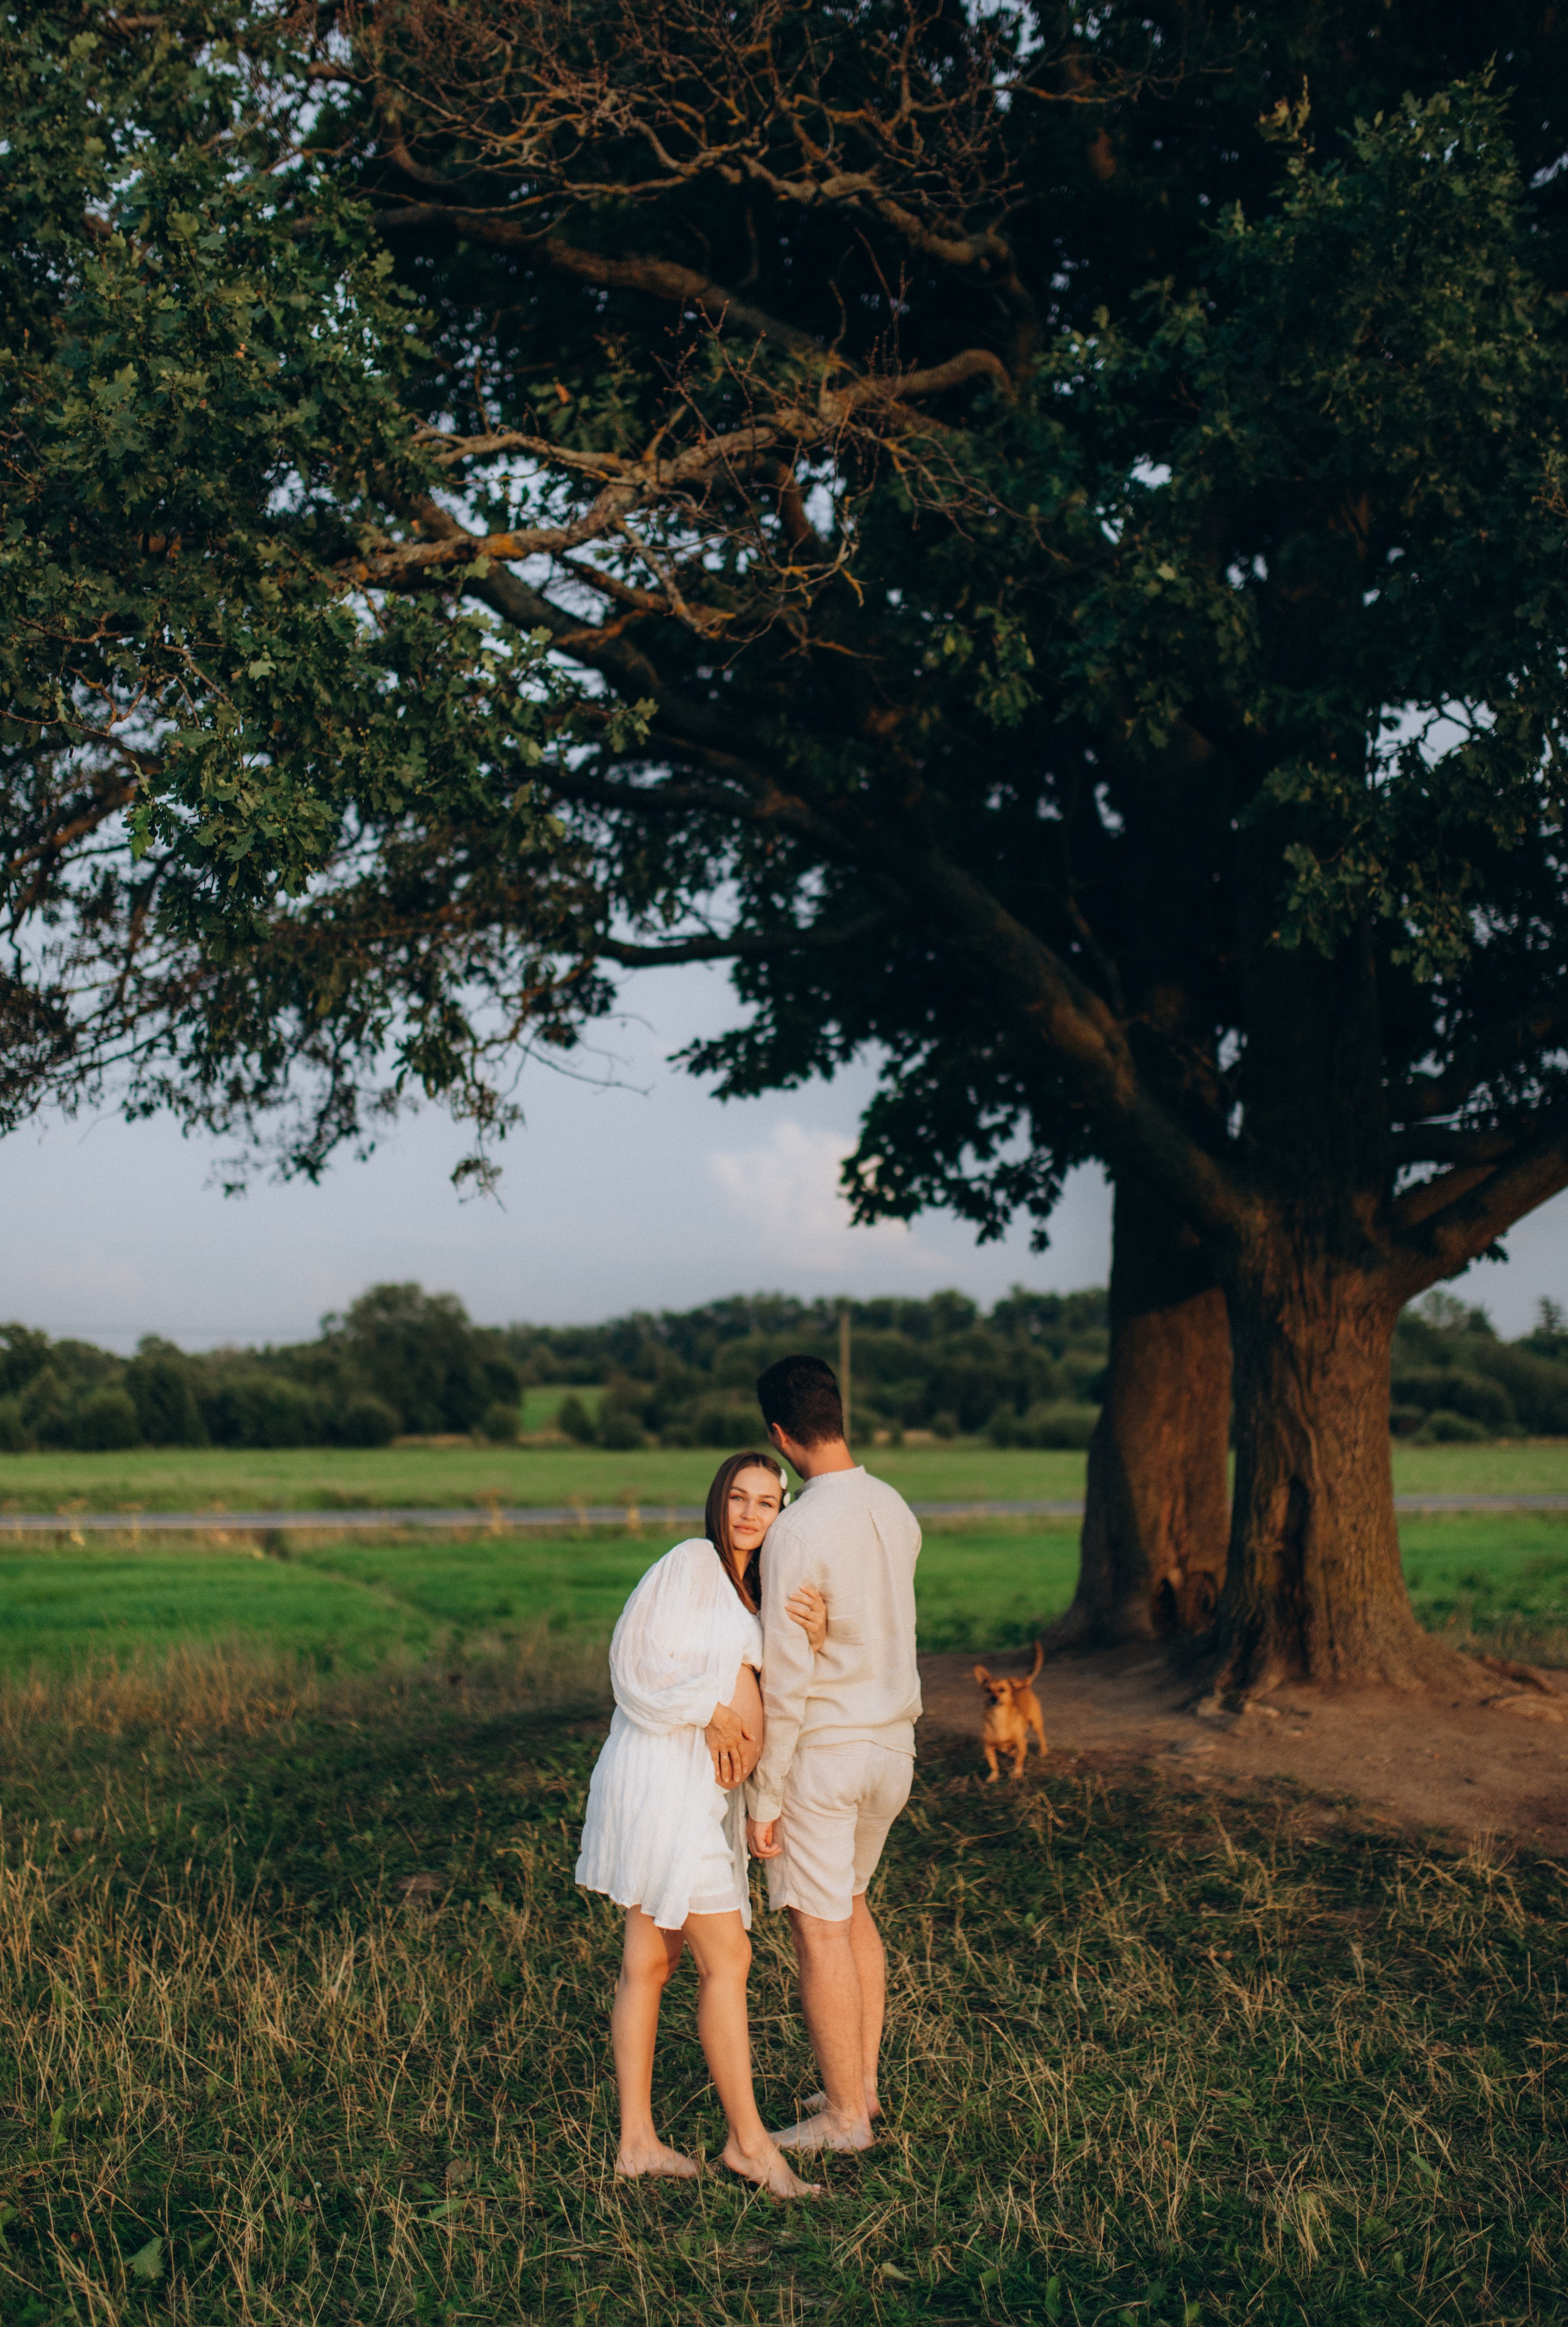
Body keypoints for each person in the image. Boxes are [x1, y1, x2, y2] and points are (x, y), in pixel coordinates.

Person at [575, 1450, 827, 2198]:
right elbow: (632, 1666)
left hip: (703, 1796)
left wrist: (809, 1636)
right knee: (731, 1960)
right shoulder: (688, 1563)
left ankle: (636, 2143)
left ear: (783, 1513)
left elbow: (767, 1687)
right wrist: (709, 1711)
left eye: (769, 1502)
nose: (751, 1514)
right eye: (740, 1498)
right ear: (718, 1500)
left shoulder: (755, 1594)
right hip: (660, 1781)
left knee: (649, 1964)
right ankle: (750, 2144)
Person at [745, 1354, 922, 2154]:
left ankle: (846, 2117)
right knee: (850, 1906)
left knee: (818, 1930)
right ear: (838, 1412)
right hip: (893, 1745)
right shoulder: (895, 1507)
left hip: (828, 1752)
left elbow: (787, 1680)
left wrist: (765, 1793)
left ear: (780, 1436)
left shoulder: (799, 1527)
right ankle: (863, 2084)